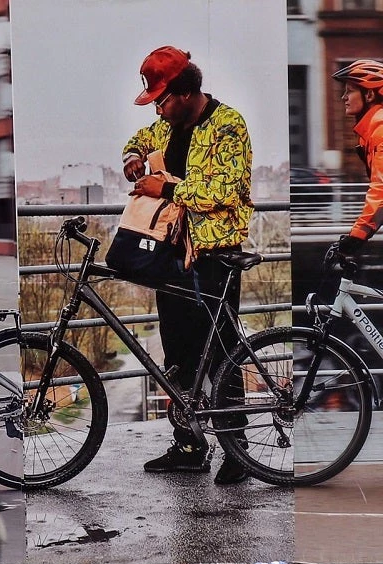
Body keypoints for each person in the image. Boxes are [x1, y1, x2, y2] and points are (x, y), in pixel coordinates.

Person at [121, 46, 252, 485]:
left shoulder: (227, 125)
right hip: (173, 252)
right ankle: (190, 445)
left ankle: (239, 452)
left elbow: (223, 190)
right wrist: (133, 159)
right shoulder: (167, 124)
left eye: (162, 100)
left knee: (223, 352)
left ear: (185, 92)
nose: (157, 109)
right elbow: (137, 140)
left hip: (215, 253)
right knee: (177, 352)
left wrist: (165, 189)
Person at [332, 59, 383, 255]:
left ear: (369, 94)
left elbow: (381, 191)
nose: (344, 97)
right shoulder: (369, 132)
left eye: (350, 91)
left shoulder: (379, 130)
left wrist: (358, 236)